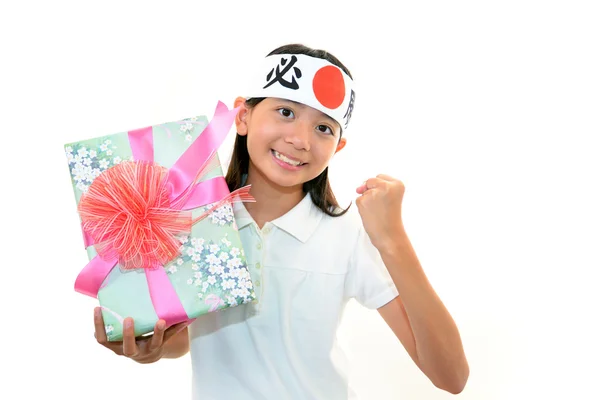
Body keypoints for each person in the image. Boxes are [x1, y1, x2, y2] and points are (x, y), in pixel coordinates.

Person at [93, 43, 469, 399]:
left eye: (324, 128)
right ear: (243, 116)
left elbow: (450, 376)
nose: (301, 139)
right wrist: (151, 347)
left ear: (337, 147)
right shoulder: (191, 220)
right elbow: (187, 335)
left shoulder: (348, 235)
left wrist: (393, 240)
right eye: (286, 112)